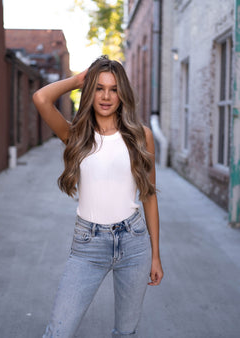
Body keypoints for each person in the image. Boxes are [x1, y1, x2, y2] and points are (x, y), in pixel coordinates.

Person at [33, 55, 163, 338]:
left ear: (122, 94)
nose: (106, 96)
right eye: (99, 88)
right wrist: (79, 79)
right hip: (88, 244)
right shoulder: (76, 134)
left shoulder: (141, 137)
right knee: (58, 331)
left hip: (134, 242)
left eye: (114, 89)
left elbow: (149, 197)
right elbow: (42, 98)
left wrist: (155, 256)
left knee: (125, 332)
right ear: (90, 92)